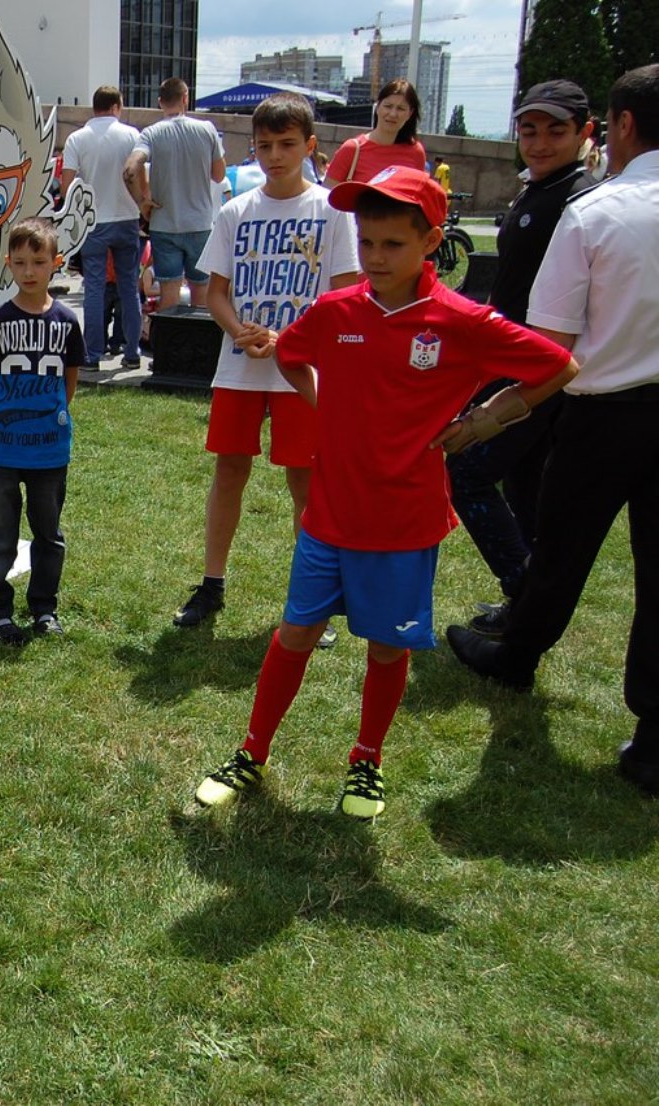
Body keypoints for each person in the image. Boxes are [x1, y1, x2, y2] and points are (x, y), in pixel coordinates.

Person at [190, 167, 578, 819]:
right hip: (329, 515)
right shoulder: (336, 309)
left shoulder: (462, 320)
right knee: (295, 633)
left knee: (389, 646)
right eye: (366, 243)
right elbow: (292, 354)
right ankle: (252, 753)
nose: (374, 258)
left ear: (431, 242)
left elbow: (557, 367)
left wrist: (482, 421)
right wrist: (328, 406)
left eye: (391, 244)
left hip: (404, 520)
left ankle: (366, 762)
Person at [447, 64, 659, 797]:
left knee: (560, 547)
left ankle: (515, 654)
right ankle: (655, 740)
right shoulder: (582, 201)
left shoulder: (595, 212)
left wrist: (486, 417)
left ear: (619, 126)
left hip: (605, 411)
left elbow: (551, 352)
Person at [172, 94, 360, 637]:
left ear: (309, 146)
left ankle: (314, 597)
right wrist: (241, 333)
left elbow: (344, 294)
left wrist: (292, 341)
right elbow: (215, 295)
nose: (275, 155)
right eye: (265, 145)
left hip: (304, 371)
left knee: (305, 482)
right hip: (241, 367)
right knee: (229, 471)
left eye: (286, 145)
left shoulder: (332, 211)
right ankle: (212, 583)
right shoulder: (236, 212)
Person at [446, 80, 596, 634]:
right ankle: (526, 603)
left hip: (541, 366)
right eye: (529, 130)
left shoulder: (579, 198)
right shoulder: (538, 190)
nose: (538, 142)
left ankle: (526, 599)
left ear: (586, 133)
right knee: (524, 486)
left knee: (466, 472)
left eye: (555, 131)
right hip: (517, 358)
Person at [0, 219, 86, 646]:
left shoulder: (66, 321)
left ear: (56, 264)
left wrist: (52, 416)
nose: (29, 271)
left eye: (38, 261)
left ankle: (44, 608)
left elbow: (69, 379)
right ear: (8, 264)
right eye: (19, 262)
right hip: (2, 450)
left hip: (49, 452)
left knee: (48, 532)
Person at [125, 78, 227, 311]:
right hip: (200, 223)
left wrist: (142, 201)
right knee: (200, 296)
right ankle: (197, 346)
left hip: (164, 224)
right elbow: (219, 175)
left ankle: (168, 347)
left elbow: (130, 169)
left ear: (160, 102)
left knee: (168, 298)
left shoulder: (150, 133)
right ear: (185, 98)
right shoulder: (207, 129)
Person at [61, 85, 144, 369]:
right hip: (127, 216)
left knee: (94, 288)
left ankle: (92, 354)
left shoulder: (77, 138)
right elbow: (141, 177)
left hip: (92, 221)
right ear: (117, 106)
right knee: (129, 287)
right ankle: (132, 352)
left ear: (94, 107)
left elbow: (66, 183)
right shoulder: (133, 135)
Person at [325, 79, 429, 185]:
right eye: (388, 106)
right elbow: (327, 196)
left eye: (401, 109)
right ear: (377, 107)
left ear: (410, 113)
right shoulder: (352, 149)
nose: (393, 114)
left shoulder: (416, 152)